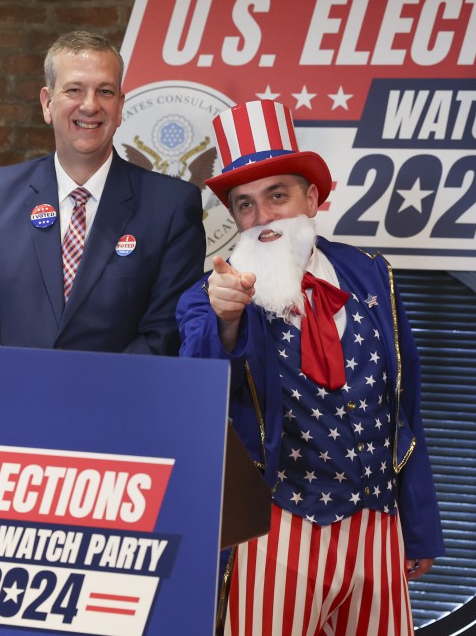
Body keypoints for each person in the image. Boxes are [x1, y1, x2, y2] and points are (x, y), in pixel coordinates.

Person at [177, 100, 444, 635]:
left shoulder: (370, 274)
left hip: (376, 526)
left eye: (278, 195)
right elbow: (197, 396)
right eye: (246, 205)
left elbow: (403, 406)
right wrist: (224, 320)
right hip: (275, 534)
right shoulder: (212, 295)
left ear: (313, 198)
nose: (263, 217)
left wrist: (419, 525)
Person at [0, 30, 205, 354]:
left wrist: (86, 398)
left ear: (120, 106)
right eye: (74, 90)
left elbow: (165, 333)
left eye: (105, 91)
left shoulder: (171, 207)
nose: (90, 105)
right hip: (9, 399)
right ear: (47, 103)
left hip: (119, 402)